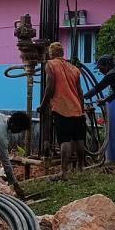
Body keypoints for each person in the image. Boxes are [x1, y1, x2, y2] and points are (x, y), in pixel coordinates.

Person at [38, 42, 86, 178]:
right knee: (79, 139)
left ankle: (63, 172)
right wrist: (81, 109)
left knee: (64, 140)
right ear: (62, 53)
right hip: (77, 108)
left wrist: (43, 104)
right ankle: (81, 169)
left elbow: (50, 86)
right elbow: (80, 92)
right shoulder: (74, 69)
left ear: (51, 53)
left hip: (61, 108)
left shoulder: (50, 65)